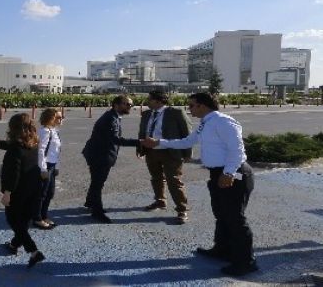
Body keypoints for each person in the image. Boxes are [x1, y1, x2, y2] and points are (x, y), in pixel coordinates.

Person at [142, 92, 258, 276]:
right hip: (217, 174)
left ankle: (246, 262)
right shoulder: (206, 122)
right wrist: (159, 143)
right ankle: (222, 249)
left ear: (202, 106)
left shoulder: (223, 121)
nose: (189, 109)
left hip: (233, 174)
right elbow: (187, 141)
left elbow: (237, 150)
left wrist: (228, 173)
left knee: (235, 219)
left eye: (192, 105)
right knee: (221, 215)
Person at [0, 108, 64, 230]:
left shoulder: (51, 132)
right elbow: (25, 150)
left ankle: (41, 216)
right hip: (41, 169)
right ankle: (37, 218)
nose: (61, 120)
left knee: (48, 193)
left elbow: (52, 151)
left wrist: (56, 166)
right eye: (58, 117)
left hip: (47, 168)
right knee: (41, 194)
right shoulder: (43, 133)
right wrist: (44, 169)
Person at [81, 94, 139, 223]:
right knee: (98, 183)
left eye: (131, 105)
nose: (130, 107)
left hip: (98, 153)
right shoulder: (111, 118)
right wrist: (138, 142)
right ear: (116, 105)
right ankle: (97, 212)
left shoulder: (113, 116)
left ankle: (90, 203)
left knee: (96, 181)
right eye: (127, 104)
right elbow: (115, 139)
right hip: (99, 155)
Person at [137, 90, 192, 224]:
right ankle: (160, 201)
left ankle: (182, 209)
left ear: (159, 101)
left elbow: (187, 132)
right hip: (151, 151)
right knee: (156, 178)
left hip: (171, 151)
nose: (147, 101)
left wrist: (187, 153)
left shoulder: (176, 113)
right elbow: (142, 132)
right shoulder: (146, 114)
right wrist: (140, 148)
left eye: (150, 99)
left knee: (174, 180)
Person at [0, 113, 46, 268]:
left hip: (18, 190)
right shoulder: (33, 142)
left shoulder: (15, 149)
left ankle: (33, 251)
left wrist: (7, 192)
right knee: (24, 220)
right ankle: (13, 245)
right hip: (33, 188)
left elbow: (13, 173)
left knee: (13, 220)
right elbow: (14, 146)